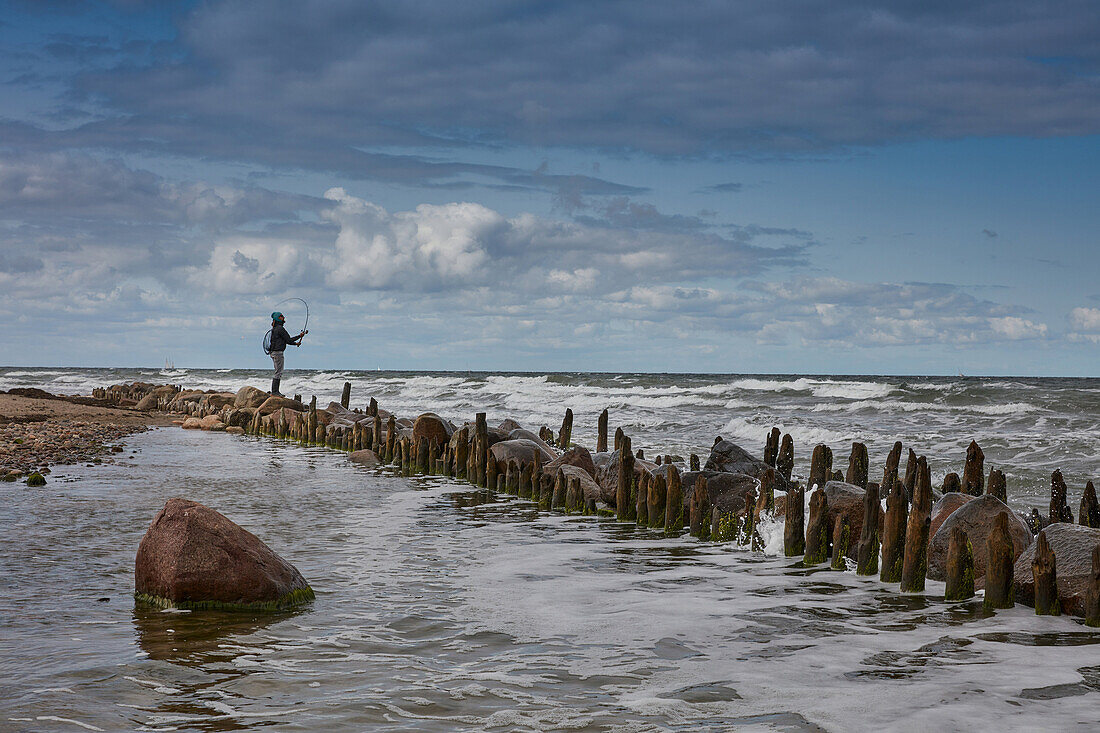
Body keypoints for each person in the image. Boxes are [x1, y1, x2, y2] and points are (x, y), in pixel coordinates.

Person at [268, 311, 306, 396]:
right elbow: (288, 340)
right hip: (278, 353)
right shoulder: (280, 329)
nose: (284, 317)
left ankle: (275, 391)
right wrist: (300, 336)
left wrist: (296, 343)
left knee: (277, 371)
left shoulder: (275, 329)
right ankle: (275, 392)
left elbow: (285, 341)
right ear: (278, 318)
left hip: (273, 353)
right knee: (278, 372)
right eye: (282, 316)